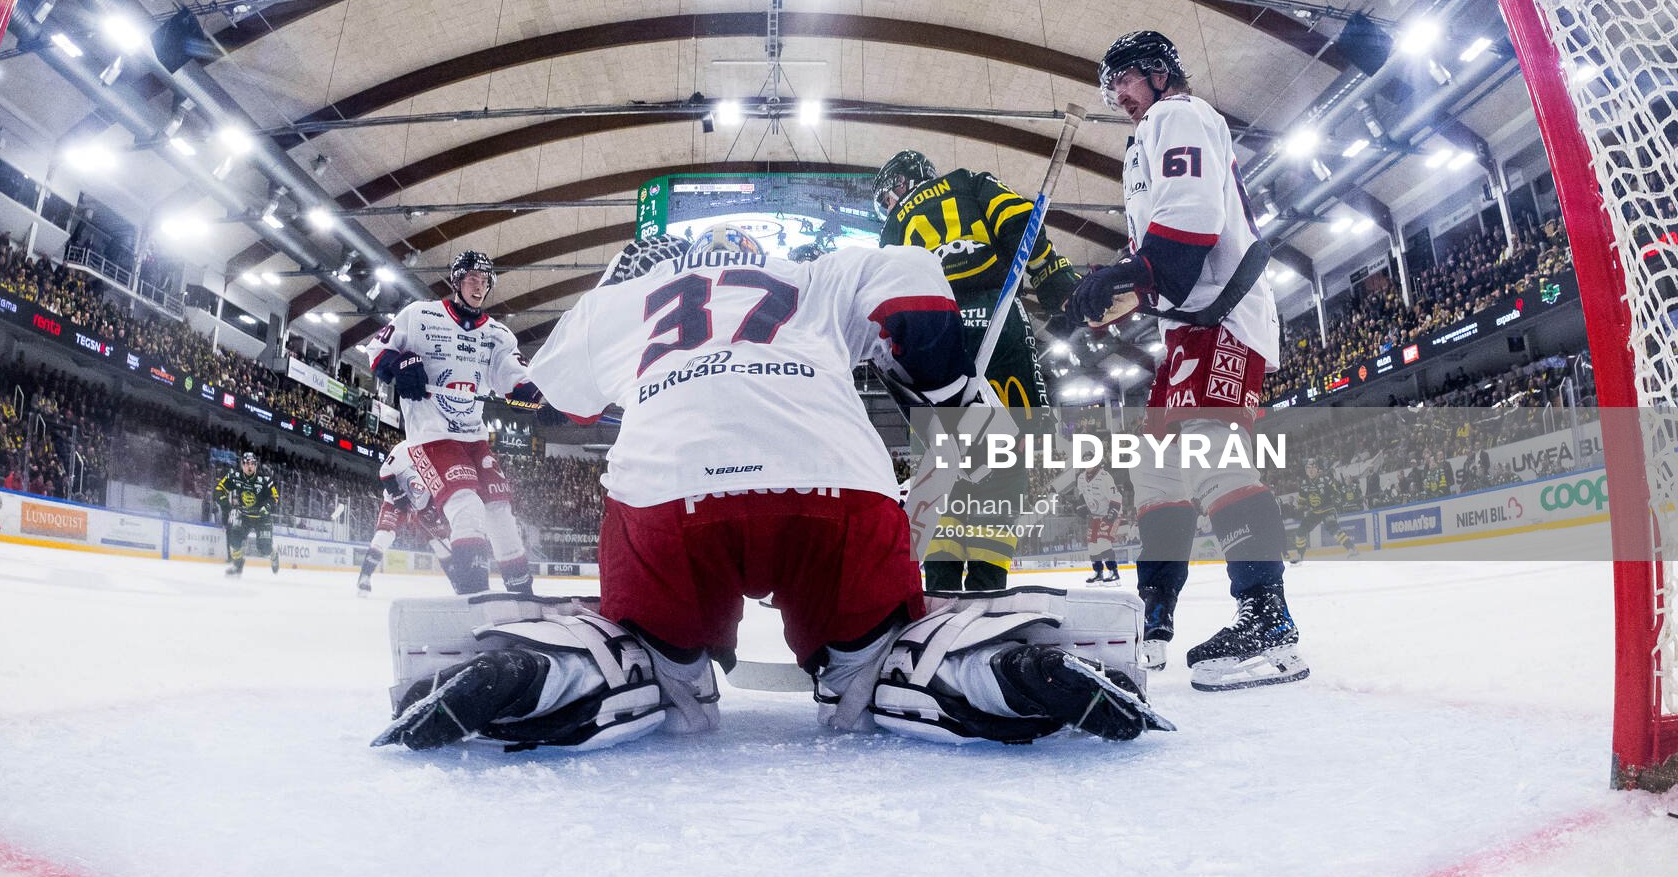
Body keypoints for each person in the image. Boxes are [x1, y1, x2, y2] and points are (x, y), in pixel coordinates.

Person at [371, 223, 1171, 752]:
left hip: (667, 501)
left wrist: (617, 299)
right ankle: (973, 669)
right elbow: (916, 289)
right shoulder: (817, 273)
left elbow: (556, 396)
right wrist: (949, 392)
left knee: (661, 662)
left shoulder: (632, 299)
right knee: (872, 659)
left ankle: (568, 671)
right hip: (835, 489)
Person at [1065, 29, 1306, 691]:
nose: (1117, 95)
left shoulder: (1178, 115)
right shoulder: (1145, 140)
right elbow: (1157, 264)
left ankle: (1269, 622)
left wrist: (1127, 275)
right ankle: (1156, 619)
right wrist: (1097, 295)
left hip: (1224, 313)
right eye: (1111, 88)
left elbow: (1190, 225)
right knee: (1155, 471)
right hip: (1188, 328)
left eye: (1123, 80)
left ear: (1156, 72)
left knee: (1208, 450)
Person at [871, 150, 1079, 591]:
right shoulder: (967, 180)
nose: (890, 204)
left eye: (889, 195)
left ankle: (941, 584)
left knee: (947, 459)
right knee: (1010, 454)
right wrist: (1051, 274)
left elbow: (888, 296)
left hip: (936, 331)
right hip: (997, 314)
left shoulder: (892, 227)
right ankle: (987, 582)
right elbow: (1019, 220)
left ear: (904, 182)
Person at [358, 251, 539, 595]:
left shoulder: (498, 334)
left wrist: (533, 395)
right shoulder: (419, 315)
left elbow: (516, 381)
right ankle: (473, 594)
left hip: (474, 437)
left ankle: (521, 591)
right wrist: (400, 364)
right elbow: (377, 351)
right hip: (432, 435)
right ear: (456, 281)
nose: (479, 286)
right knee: (467, 506)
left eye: (484, 280)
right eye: (472, 278)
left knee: (499, 510)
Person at [355, 443, 455, 593]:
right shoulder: (405, 448)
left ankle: (458, 583)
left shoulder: (442, 454)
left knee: (442, 544)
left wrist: (432, 507)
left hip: (424, 505)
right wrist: (398, 495)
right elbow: (385, 471)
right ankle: (365, 576)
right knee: (384, 536)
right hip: (395, 500)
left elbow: (442, 488)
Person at [215, 451, 279, 577]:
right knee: (234, 540)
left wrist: (267, 506)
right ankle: (237, 565)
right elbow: (219, 489)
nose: (249, 466)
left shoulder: (265, 480)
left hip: (262, 517)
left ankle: (274, 555)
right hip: (244, 515)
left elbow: (275, 497)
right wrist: (224, 502)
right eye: (246, 464)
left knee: (264, 548)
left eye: (252, 464)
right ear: (242, 464)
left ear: (256, 465)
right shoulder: (235, 476)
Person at [1078, 461, 1124, 585]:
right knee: (1092, 545)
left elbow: (1116, 496)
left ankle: (1114, 572)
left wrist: (1112, 512)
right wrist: (1081, 506)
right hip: (1095, 516)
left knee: (1103, 541)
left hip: (1111, 512)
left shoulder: (1105, 477)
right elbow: (1082, 495)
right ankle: (1098, 573)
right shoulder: (1081, 478)